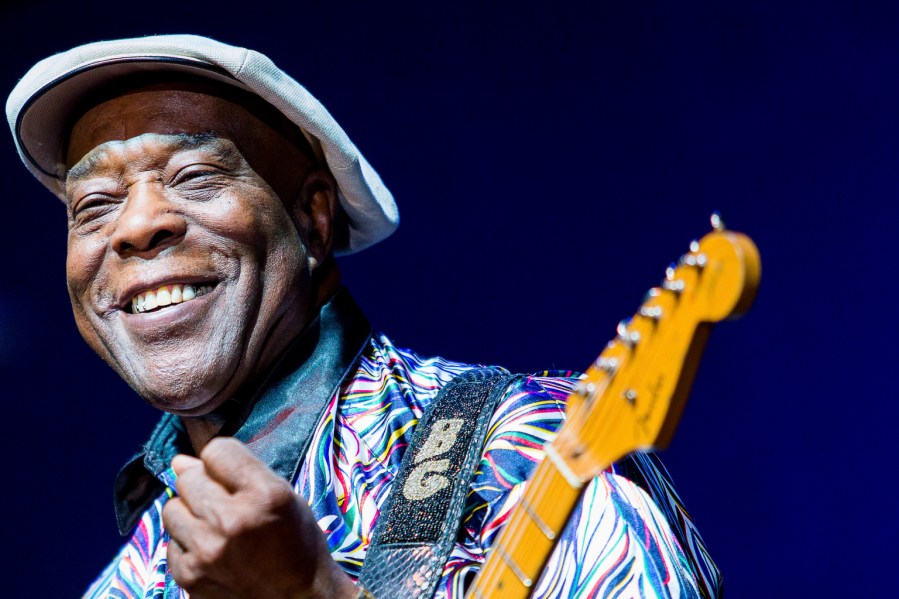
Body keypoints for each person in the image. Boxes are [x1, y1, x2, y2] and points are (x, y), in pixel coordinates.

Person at [7, 35, 722, 599]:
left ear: (313, 220)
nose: (135, 227)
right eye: (93, 206)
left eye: (194, 177)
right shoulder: (123, 584)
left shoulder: (526, 451)